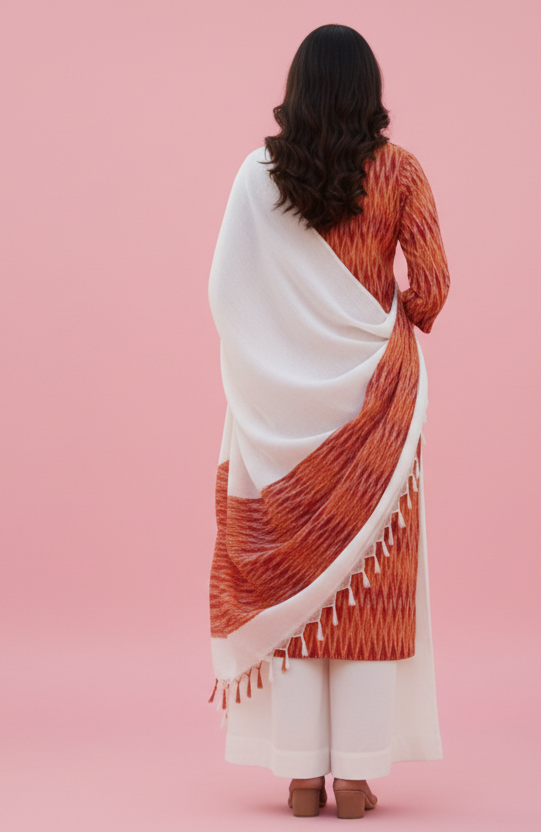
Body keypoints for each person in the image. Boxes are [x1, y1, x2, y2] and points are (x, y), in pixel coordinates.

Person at [206, 23, 450, 819]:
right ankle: (355, 780)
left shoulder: (258, 177)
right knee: (366, 588)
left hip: (284, 422)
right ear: (369, 91)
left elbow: (226, 295)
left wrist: (287, 362)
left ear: (299, 89)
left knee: (300, 585)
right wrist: (391, 323)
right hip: (377, 413)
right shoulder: (400, 171)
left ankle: (300, 778)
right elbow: (435, 286)